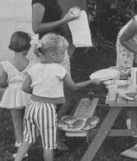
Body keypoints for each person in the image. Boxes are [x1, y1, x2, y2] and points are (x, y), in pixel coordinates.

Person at [14, 33, 101, 161]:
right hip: (46, 109)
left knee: (27, 139)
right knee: (48, 145)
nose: (64, 55)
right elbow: (74, 87)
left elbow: (25, 87)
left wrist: (39, 93)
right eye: (62, 53)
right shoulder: (59, 70)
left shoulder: (34, 67)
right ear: (53, 54)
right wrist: (91, 81)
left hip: (32, 107)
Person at [32, 0, 80, 150]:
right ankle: (53, 137)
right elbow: (37, 27)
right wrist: (65, 19)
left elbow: (52, 18)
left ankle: (54, 134)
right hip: (49, 53)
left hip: (57, 49)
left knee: (67, 98)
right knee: (63, 99)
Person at [0, 31, 33, 156]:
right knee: (28, 119)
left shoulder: (7, 64)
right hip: (27, 93)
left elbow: (2, 83)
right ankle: (28, 139)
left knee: (16, 120)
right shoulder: (31, 64)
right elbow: (31, 81)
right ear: (28, 47)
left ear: (12, 45)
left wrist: (7, 85)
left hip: (13, 95)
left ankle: (20, 143)